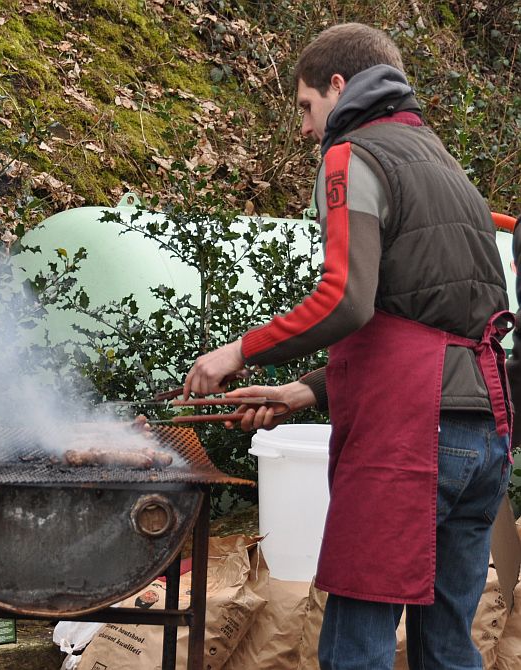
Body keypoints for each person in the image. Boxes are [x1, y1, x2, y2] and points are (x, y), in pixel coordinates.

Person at [183, 23, 512, 670]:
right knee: (446, 648)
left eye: (306, 107)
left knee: (353, 645)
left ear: (338, 86)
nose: (305, 129)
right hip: (483, 437)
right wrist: (299, 391)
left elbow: (346, 300)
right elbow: (426, 325)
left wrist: (238, 350)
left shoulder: (353, 155)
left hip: (411, 439)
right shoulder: (446, 166)